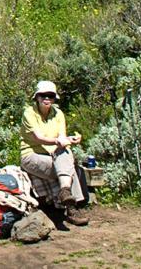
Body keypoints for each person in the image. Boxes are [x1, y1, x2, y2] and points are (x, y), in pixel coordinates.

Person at [20, 80, 89, 226]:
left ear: (54, 98)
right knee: (68, 168)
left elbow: (62, 138)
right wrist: (58, 142)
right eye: (43, 96)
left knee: (66, 154)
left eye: (50, 96)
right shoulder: (29, 113)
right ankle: (72, 208)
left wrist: (71, 140)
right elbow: (38, 138)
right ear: (37, 97)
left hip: (54, 154)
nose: (46, 99)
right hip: (32, 155)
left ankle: (65, 192)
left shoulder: (58, 114)